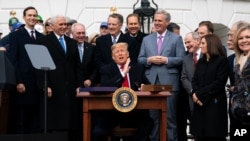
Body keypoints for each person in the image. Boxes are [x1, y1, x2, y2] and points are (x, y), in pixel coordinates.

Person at [138, 9, 185, 141]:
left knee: (170, 118)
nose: (157, 23)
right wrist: (149, 60)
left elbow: (182, 59)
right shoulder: (147, 39)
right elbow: (140, 59)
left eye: (160, 20)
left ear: (167, 22)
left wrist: (167, 60)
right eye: (155, 20)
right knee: (153, 118)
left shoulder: (176, 38)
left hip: (169, 83)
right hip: (150, 82)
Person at [92, 42, 154, 141]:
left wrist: (144, 87)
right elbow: (105, 86)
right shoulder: (106, 69)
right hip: (112, 113)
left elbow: (148, 86)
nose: (120, 54)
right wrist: (123, 73)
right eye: (117, 52)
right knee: (98, 132)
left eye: (122, 51)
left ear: (128, 54)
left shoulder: (137, 68)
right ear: (113, 57)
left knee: (149, 124)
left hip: (134, 112)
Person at [36, 15, 82, 141]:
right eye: (60, 24)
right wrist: (45, 86)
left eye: (65, 24)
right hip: (53, 87)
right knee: (54, 121)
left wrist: (79, 85)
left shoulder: (72, 42)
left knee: (70, 120)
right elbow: (39, 67)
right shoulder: (43, 41)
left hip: (70, 88)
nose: (63, 27)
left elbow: (77, 66)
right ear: (52, 26)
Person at [8, 6, 44, 134]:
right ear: (24, 17)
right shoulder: (16, 36)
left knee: (36, 121)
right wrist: (18, 82)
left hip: (37, 84)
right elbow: (14, 60)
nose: (32, 18)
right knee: (22, 120)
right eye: (29, 15)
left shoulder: (41, 37)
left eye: (34, 16)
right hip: (23, 84)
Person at [191, 34, 229, 141]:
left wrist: (199, 95)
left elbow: (219, 82)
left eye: (203, 43)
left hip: (214, 105)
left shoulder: (222, 61)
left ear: (211, 45)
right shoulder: (200, 62)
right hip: (199, 104)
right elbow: (195, 80)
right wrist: (195, 94)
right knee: (200, 135)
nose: (200, 45)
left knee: (213, 135)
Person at [226, 20, 249, 141]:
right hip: (240, 115)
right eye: (240, 38)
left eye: (247, 37)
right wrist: (235, 104)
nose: (244, 40)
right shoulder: (239, 60)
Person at [72, 23, 98, 87]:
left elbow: (96, 67)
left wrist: (90, 79)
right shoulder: (68, 47)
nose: (81, 35)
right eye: (79, 33)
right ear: (72, 34)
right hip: (72, 86)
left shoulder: (92, 48)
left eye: (83, 33)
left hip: (88, 86)